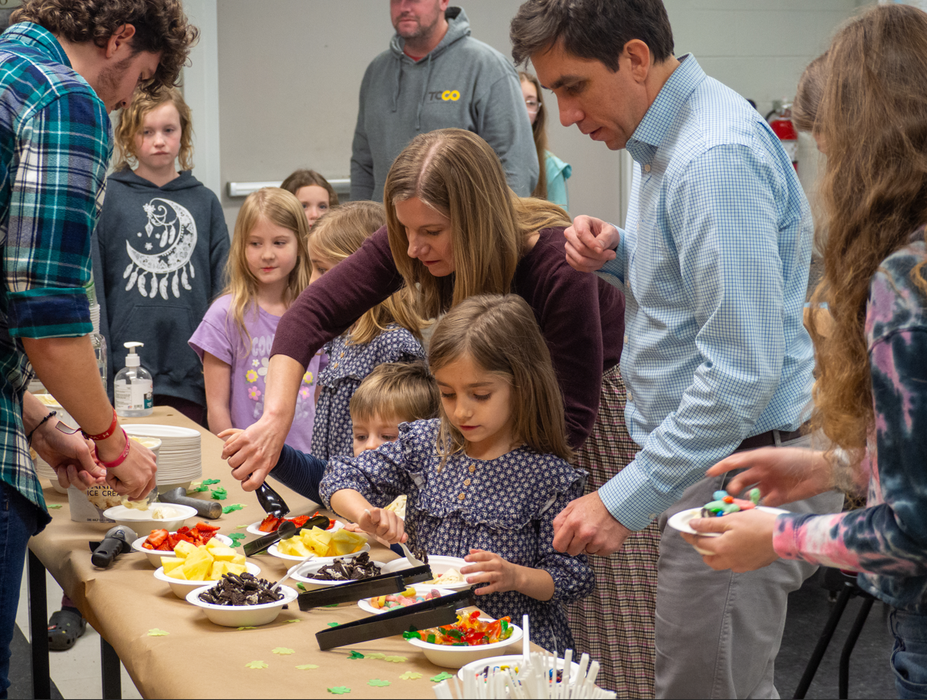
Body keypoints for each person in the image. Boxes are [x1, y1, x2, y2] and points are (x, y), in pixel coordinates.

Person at [509, 0, 845, 697]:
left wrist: (618, 500)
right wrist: (622, 256)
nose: (564, 116)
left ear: (634, 57)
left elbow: (738, 377)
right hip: (719, 451)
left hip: (740, 460)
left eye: (572, 87)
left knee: (706, 688)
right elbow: (703, 298)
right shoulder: (671, 140)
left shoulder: (710, 158)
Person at [680, 7, 927, 699]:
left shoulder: (905, 284)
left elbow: (911, 531)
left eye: (828, 151)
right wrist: (830, 463)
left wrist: (781, 535)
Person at [222, 127, 624, 486]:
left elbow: (569, 423)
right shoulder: (413, 237)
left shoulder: (559, 267)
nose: (413, 248)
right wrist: (275, 418)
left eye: (432, 232)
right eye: (405, 230)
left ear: (475, 222)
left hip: (589, 428)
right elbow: (309, 314)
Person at [0, 0, 196, 694]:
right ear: (118, 39)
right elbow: (47, 318)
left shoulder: (8, 68)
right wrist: (110, 442)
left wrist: (45, 424)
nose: (122, 103)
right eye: (136, 80)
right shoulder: (64, 96)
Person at [321, 294, 594, 653]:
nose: (461, 411)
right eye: (447, 394)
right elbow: (340, 477)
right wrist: (366, 514)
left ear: (523, 385)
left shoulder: (550, 477)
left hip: (511, 649)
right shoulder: (423, 444)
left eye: (480, 395)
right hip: (431, 637)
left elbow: (570, 577)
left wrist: (515, 576)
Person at [98, 86, 229, 425]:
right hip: (124, 371)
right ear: (128, 136)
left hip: (192, 371)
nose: (159, 141)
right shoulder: (109, 198)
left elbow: (224, 289)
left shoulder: (205, 202)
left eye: (168, 130)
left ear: (183, 134)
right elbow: (96, 285)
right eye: (147, 131)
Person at [350, 1, 538, 202]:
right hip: (385, 229)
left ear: (443, 2)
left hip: (463, 230)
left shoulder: (487, 67)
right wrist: (361, 229)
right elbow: (363, 163)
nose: (404, 7)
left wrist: (497, 230)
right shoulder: (377, 72)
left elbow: (515, 167)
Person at [189, 188, 320, 454]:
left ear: (300, 243)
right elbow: (216, 409)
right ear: (241, 246)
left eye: (279, 243)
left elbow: (320, 395)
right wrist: (237, 458)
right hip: (249, 462)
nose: (267, 254)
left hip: (309, 464)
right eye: (255, 243)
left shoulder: (317, 312)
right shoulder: (224, 315)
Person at [231, 360, 441, 509]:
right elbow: (320, 478)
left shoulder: (428, 496)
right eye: (361, 436)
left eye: (387, 436)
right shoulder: (360, 478)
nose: (370, 446)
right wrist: (273, 452)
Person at [306, 201, 427, 460]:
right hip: (333, 488)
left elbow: (407, 437)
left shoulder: (394, 344)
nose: (311, 282)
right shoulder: (341, 338)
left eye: (323, 269)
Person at [520, 70, 571, 211]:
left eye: (530, 103)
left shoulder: (551, 167)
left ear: (538, 112)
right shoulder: (486, 158)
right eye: (516, 100)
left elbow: (560, 228)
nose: (523, 109)